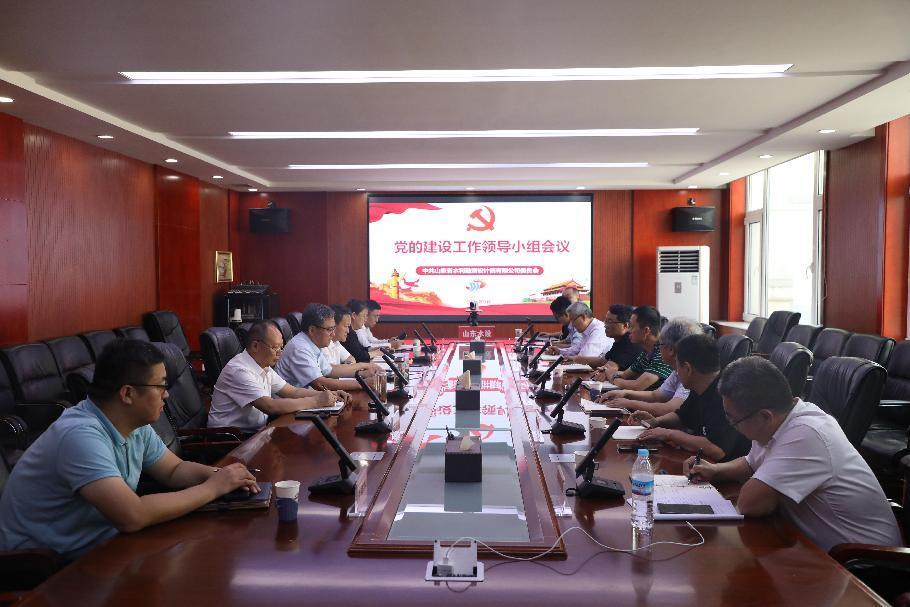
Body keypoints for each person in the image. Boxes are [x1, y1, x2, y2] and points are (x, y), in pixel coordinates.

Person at [0, 339, 260, 559]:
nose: (167, 395)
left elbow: (174, 470)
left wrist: (222, 476)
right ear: (127, 394)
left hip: (101, 548)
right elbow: (131, 515)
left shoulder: (133, 424)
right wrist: (212, 488)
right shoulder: (79, 435)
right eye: (161, 386)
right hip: (41, 567)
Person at [685, 356, 902, 552]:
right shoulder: (780, 421)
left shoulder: (807, 433)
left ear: (765, 416)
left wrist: (757, 486)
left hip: (863, 564)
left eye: (733, 420)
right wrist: (715, 470)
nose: (732, 425)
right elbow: (751, 464)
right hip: (814, 551)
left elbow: (752, 504)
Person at [208, 320, 344, 432]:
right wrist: (316, 401)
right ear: (255, 346)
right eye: (275, 348)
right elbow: (270, 406)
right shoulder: (239, 370)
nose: (280, 353)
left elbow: (292, 391)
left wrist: (329, 394)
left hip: (256, 433)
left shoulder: (264, 366)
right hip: (231, 441)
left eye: (281, 347)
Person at [632, 334, 750, 461]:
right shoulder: (700, 386)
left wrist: (669, 434)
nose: (676, 372)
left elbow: (717, 450)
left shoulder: (725, 395)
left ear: (688, 369)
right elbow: (682, 416)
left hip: (723, 468)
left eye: (677, 367)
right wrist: (656, 421)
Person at [599, 317, 701, 416]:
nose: (658, 348)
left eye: (660, 344)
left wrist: (629, 403)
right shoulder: (677, 370)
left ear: (670, 349)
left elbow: (669, 409)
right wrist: (625, 393)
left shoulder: (691, 372)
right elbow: (656, 395)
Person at [276, 303, 382, 391]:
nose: (333, 334)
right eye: (329, 329)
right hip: (290, 406)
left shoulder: (313, 344)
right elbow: (320, 383)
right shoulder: (300, 348)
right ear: (312, 330)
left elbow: (331, 370)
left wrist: (364, 369)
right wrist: (363, 383)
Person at [598, 305, 671, 391]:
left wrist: (612, 378)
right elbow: (625, 374)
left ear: (646, 331)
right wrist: (607, 371)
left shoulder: (662, 352)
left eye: (632, 327)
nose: (629, 330)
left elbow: (636, 386)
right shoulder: (647, 351)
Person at [566, 304, 643, 369]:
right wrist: (575, 359)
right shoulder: (618, 340)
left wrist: (603, 371)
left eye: (610, 322)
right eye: (605, 320)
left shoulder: (630, 342)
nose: (605, 325)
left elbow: (608, 369)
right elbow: (603, 361)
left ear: (625, 325)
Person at [344, 299, 379, 363]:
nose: (366, 319)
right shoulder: (348, 333)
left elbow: (361, 349)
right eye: (364, 316)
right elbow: (359, 356)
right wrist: (377, 353)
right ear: (354, 315)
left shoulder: (353, 331)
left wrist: (376, 349)